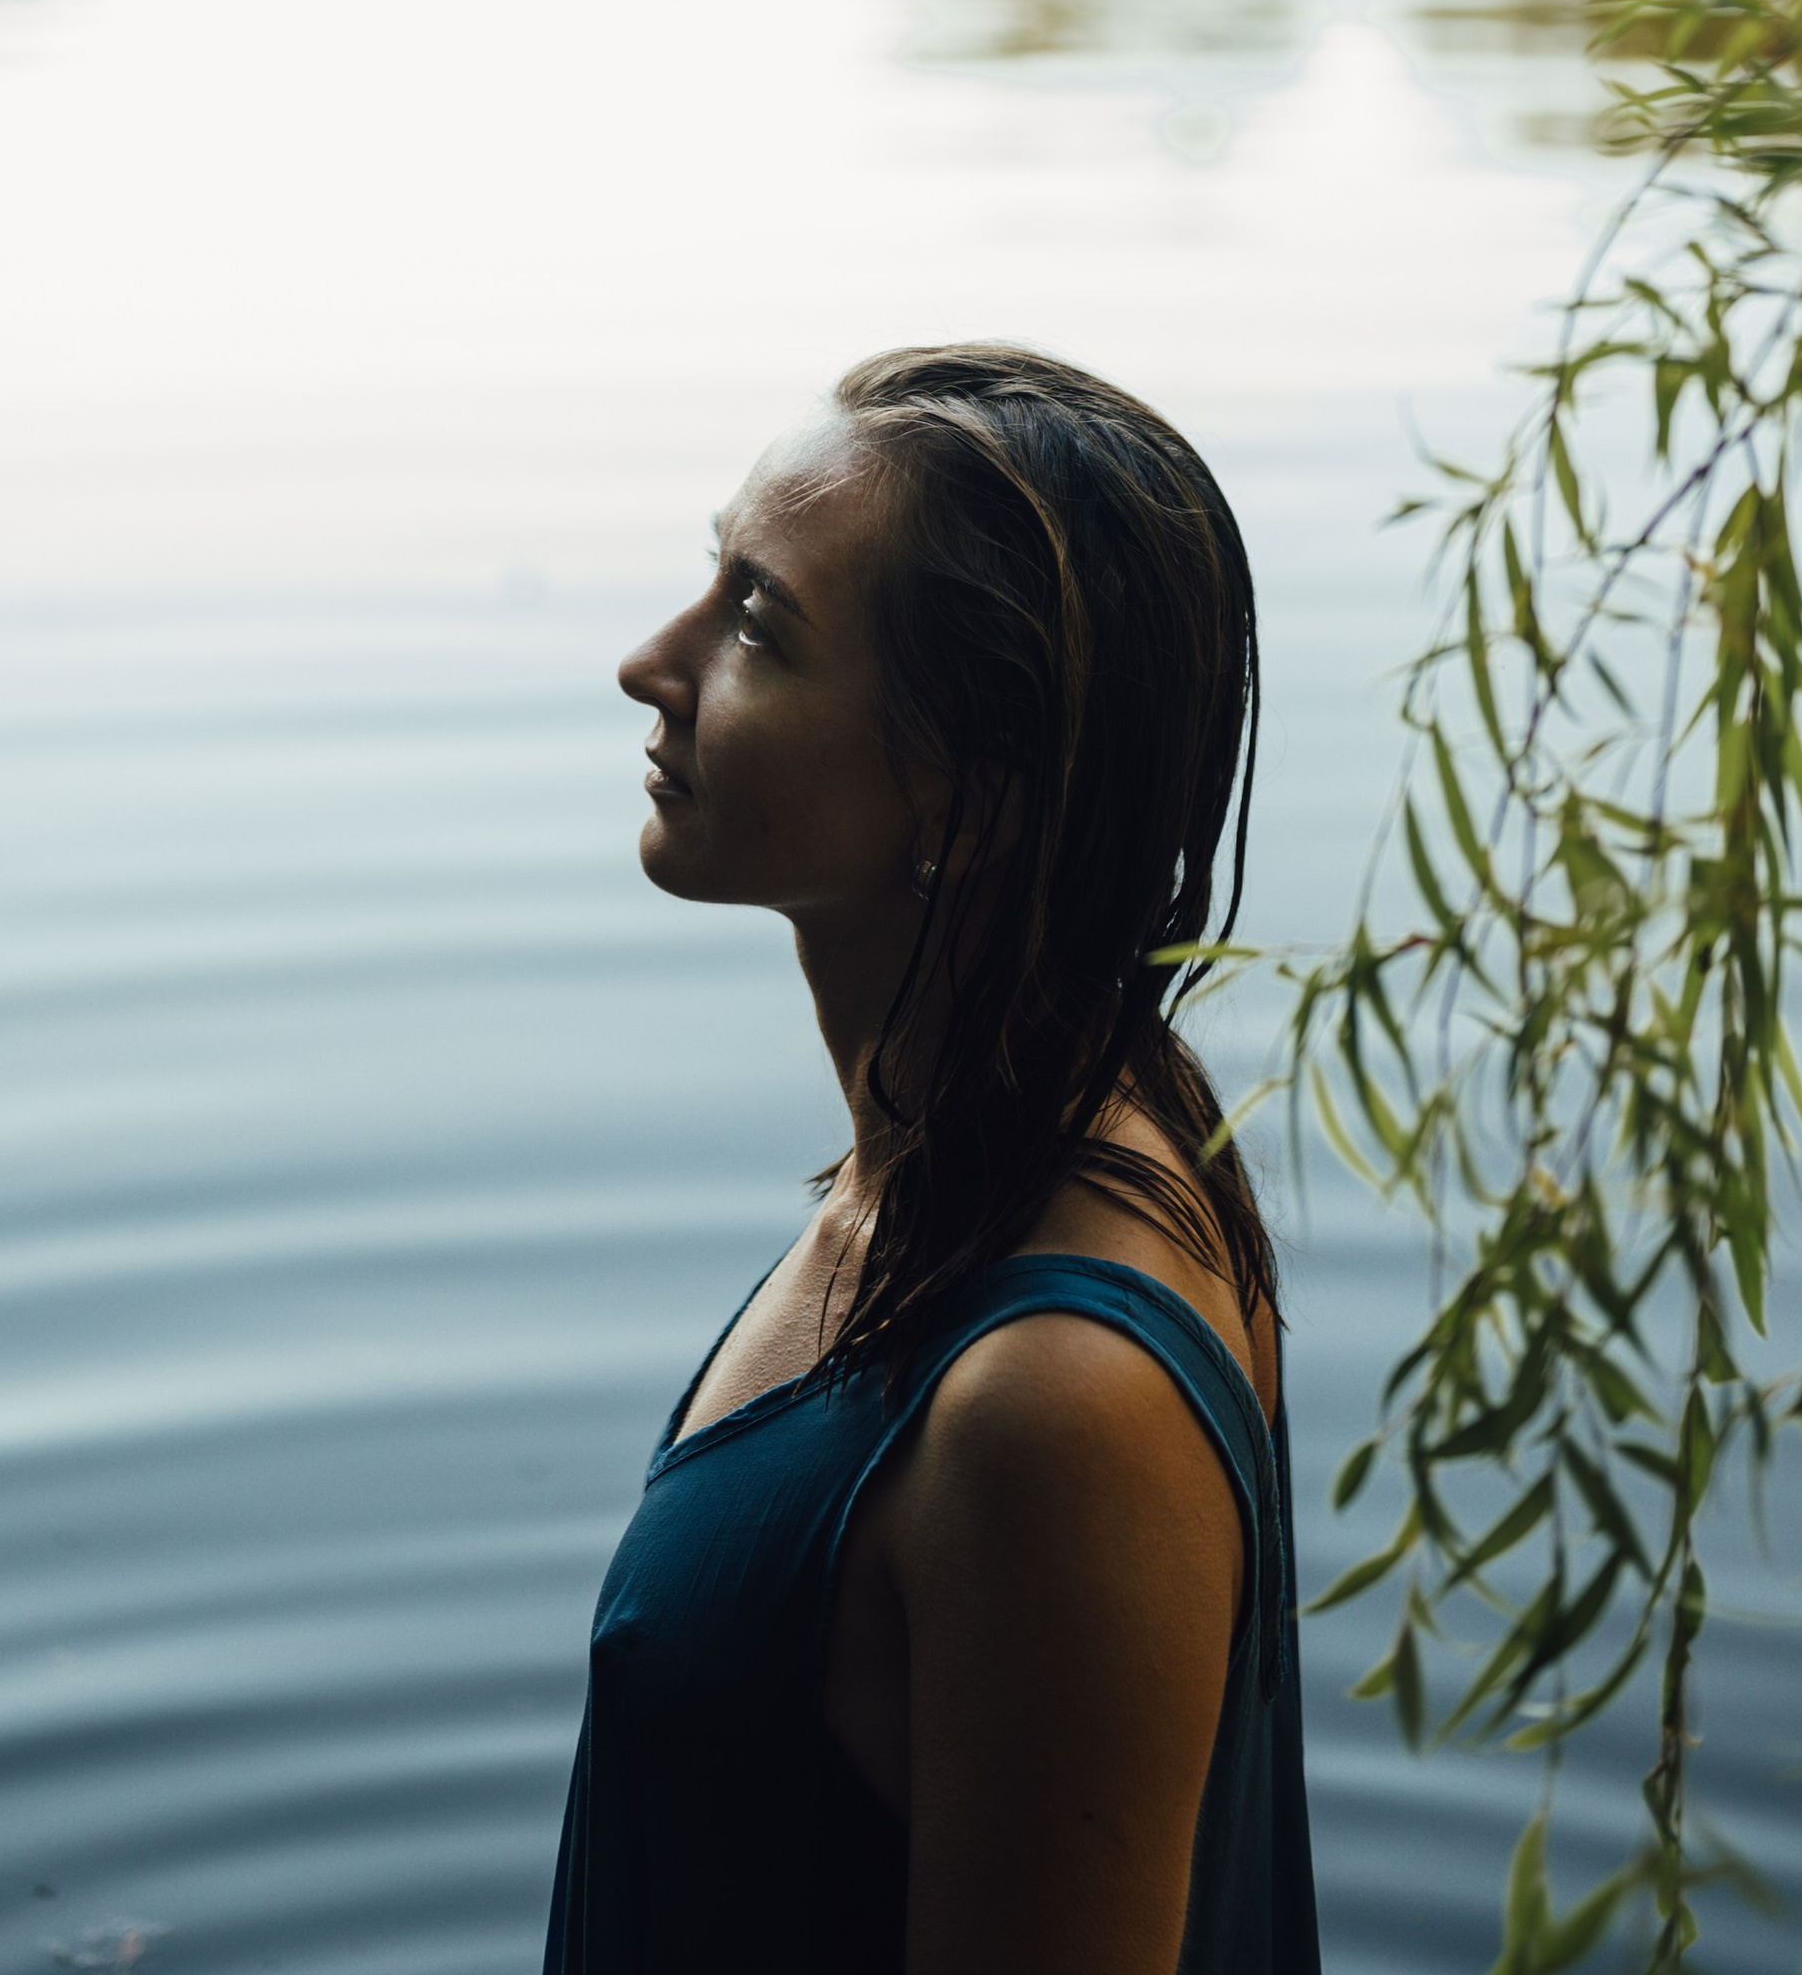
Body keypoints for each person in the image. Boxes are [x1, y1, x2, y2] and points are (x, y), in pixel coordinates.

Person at [544, 343, 1324, 1975]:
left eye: (757, 623)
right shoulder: (995, 1134)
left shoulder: (1054, 1398)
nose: (650, 661)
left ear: (965, 795)